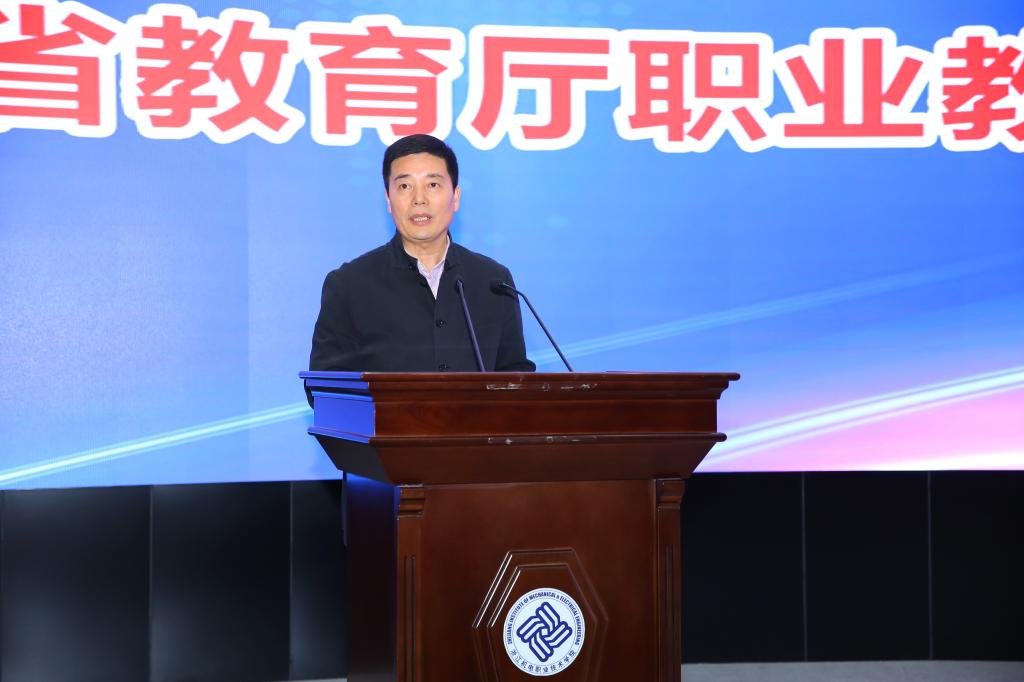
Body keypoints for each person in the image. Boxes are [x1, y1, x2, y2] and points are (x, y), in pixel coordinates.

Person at [309, 134, 536, 378]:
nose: (419, 199)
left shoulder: (494, 282)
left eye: (433, 185)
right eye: (405, 186)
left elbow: (516, 379)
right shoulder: (349, 285)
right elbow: (326, 386)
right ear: (388, 200)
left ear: (455, 197)